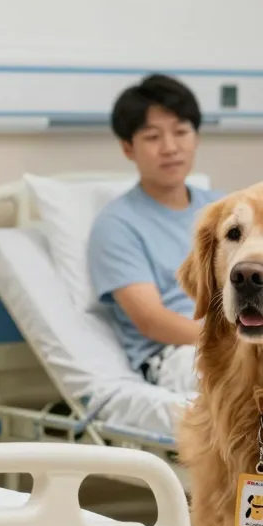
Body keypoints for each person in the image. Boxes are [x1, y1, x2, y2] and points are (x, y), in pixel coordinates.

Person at [88, 74, 219, 393]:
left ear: (196, 138)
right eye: (152, 137)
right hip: (174, 355)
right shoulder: (117, 225)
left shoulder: (223, 210)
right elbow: (151, 319)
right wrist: (236, 342)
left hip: (244, 338)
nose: (170, 148)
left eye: (181, 132)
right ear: (128, 148)